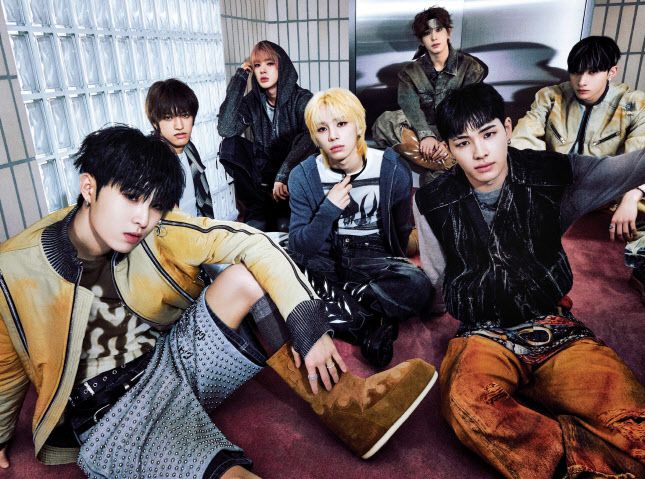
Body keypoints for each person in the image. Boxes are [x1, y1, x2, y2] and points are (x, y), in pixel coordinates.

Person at [0, 125, 437, 478]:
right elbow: (6, 361)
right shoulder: (15, 268)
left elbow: (252, 243)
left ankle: (347, 406)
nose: (142, 218)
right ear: (89, 187)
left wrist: (310, 327)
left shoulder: (156, 229)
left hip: (172, 362)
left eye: (155, 205)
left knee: (246, 275)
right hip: (112, 415)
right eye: (131, 197)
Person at [416, 82, 645, 478]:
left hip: (555, 329)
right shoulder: (432, 200)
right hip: (481, 333)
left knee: (644, 427)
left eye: (488, 134)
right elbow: (437, 274)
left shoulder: (554, 174)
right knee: (466, 405)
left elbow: (641, 163)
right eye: (463, 143)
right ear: (448, 148)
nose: (480, 152)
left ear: (507, 128)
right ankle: (586, 468)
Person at [511, 35, 645, 309]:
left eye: (593, 72)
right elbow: (523, 139)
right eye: (576, 71)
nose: (582, 81)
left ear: (612, 72)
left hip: (609, 187)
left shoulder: (632, 103)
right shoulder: (550, 97)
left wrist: (632, 195)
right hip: (556, 185)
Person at [287, 88, 433, 367]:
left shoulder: (391, 168)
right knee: (288, 281)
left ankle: (346, 306)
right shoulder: (303, 176)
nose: (333, 136)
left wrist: (397, 264)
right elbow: (300, 245)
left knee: (418, 286)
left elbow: (400, 230)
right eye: (322, 129)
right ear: (315, 136)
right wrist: (328, 210)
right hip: (324, 260)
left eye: (341, 124)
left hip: (373, 257)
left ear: (358, 126)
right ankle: (369, 324)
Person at [372, 6, 488, 312]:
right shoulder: (410, 73)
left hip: (456, 138)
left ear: (448, 32)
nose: (434, 37)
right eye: (427, 33)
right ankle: (449, 164)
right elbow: (409, 109)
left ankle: (449, 277)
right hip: (424, 144)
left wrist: (448, 143)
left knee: (433, 191)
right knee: (385, 121)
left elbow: (469, 113)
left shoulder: (471, 69)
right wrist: (426, 136)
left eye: (438, 30)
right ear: (421, 39)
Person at [218, 40, 317, 232]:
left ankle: (286, 209)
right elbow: (226, 128)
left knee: (308, 136)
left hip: (293, 179)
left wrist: (285, 174)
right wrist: (240, 77)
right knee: (230, 145)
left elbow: (312, 137)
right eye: (257, 65)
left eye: (269, 63)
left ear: (282, 66)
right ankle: (255, 207)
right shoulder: (253, 101)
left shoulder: (302, 99)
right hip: (263, 180)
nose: (262, 70)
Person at [146, 78, 214, 218]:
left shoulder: (189, 149)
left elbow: (201, 203)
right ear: (155, 123)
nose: (179, 126)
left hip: (196, 227)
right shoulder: (151, 160)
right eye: (168, 117)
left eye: (185, 115)